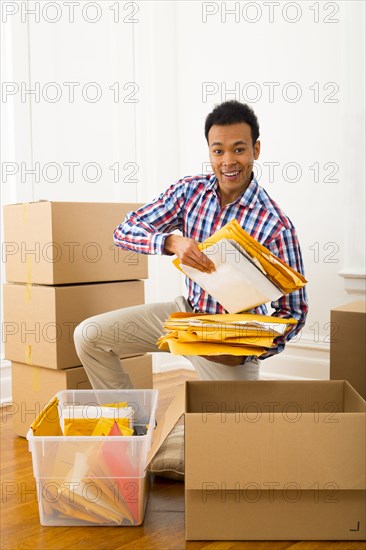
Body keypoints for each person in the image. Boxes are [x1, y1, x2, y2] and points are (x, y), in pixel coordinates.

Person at [74, 100, 308, 388]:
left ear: (255, 150)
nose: (227, 161)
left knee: (228, 432)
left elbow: (294, 311)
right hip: (187, 317)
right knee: (90, 335)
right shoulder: (189, 191)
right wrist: (171, 241)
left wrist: (250, 353)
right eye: (218, 150)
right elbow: (124, 230)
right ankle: (127, 424)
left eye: (239, 149)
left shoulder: (276, 226)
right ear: (209, 151)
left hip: (231, 342)